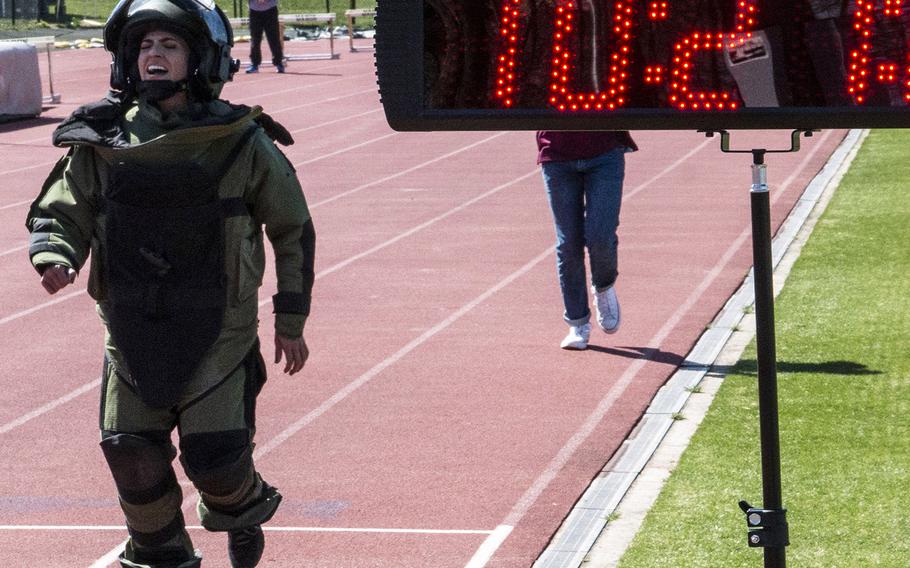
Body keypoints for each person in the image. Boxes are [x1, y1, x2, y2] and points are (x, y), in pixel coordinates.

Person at [25, 0, 315, 566]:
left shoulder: (241, 140)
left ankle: (242, 506)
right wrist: (56, 254)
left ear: (202, 59)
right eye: (144, 46)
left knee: (216, 459)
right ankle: (160, 551)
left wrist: (290, 319)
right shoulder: (101, 138)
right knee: (131, 453)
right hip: (131, 322)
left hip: (220, 329)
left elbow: (292, 228)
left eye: (170, 45)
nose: (153, 55)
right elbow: (64, 208)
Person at [537, 130, 637, 350]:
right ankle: (577, 322)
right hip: (557, 155)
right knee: (568, 243)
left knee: (600, 235)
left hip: (604, 151)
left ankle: (603, 286)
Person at [245, 0, 284, 73]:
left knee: (273, 38)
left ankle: (279, 63)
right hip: (254, 11)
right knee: (255, 39)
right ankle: (254, 64)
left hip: (270, 10)